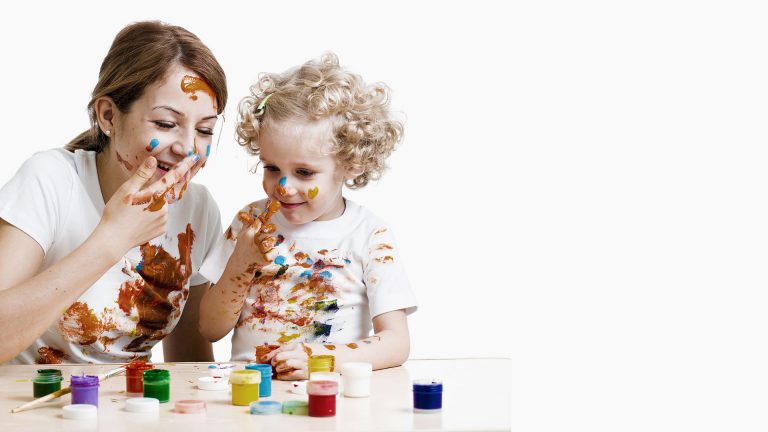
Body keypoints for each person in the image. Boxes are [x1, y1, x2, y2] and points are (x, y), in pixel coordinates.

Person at [0, 21, 227, 364]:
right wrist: (111, 240)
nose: (187, 148)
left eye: (205, 130)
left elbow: (188, 365)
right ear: (108, 116)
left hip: (130, 410)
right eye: (166, 124)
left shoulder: (198, 209)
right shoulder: (50, 180)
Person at [199, 52, 416, 379]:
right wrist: (241, 265)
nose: (284, 186)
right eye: (272, 168)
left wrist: (321, 358)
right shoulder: (250, 223)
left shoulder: (369, 234)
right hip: (252, 394)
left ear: (350, 163)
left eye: (304, 172)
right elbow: (209, 328)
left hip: (332, 397)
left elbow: (397, 344)